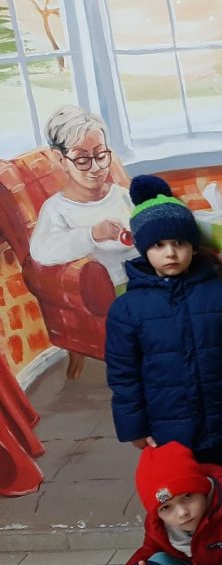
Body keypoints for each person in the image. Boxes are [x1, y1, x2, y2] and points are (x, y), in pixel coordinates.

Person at [105, 175, 222, 475]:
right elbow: (123, 375)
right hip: (167, 430)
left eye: (179, 243)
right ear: (143, 249)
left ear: (193, 247)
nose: (170, 253)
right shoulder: (127, 309)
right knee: (183, 492)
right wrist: (134, 427)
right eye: (158, 245)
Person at [29, 105, 138, 378]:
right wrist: (91, 235)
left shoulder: (122, 196)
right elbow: (41, 251)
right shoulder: (58, 209)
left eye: (101, 156)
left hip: (147, 278)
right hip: (114, 294)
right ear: (60, 158)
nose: (96, 168)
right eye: (82, 160)